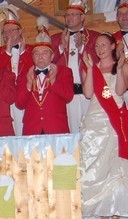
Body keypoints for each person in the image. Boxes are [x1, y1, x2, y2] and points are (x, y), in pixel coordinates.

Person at [80, 33, 128, 219]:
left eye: (103, 45)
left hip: (115, 119)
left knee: (115, 167)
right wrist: (90, 69)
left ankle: (115, 214)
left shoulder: (122, 65)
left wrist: (122, 67)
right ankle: (103, 214)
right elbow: (88, 93)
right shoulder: (91, 67)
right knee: (97, 167)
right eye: (97, 45)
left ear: (112, 46)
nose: (100, 49)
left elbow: (120, 91)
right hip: (95, 121)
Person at [15, 18, 75, 136]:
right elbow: (19, 104)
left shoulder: (64, 72)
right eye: (37, 53)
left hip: (56, 129)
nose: (40, 56)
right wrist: (28, 85)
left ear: (52, 56)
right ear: (33, 57)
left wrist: (53, 81)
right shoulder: (24, 75)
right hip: (32, 131)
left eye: (45, 53)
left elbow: (69, 96)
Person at [51, 0, 99, 133]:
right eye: (67, 15)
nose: (69, 18)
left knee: (90, 131)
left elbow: (99, 62)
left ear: (82, 17)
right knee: (69, 133)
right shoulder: (55, 39)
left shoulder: (94, 37)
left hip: (88, 94)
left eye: (73, 14)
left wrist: (82, 48)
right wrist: (61, 47)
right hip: (64, 95)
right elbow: (47, 64)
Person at [0, 5, 34, 136]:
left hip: (26, 98)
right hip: (5, 99)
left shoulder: (32, 50)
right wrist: (7, 52)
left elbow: (35, 70)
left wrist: (23, 53)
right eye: (5, 32)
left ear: (20, 31)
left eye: (11, 31)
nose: (7, 35)